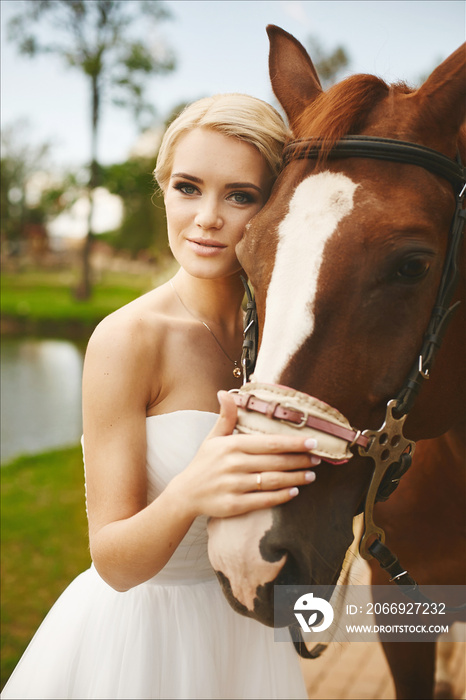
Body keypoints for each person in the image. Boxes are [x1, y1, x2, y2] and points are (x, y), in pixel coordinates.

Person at [2, 94, 321, 700]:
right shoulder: (128, 341)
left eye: (240, 195)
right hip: (142, 643)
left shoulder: (283, 343)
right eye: (188, 187)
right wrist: (191, 489)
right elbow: (115, 564)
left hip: (250, 635)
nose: (206, 217)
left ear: (275, 205)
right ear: (164, 190)